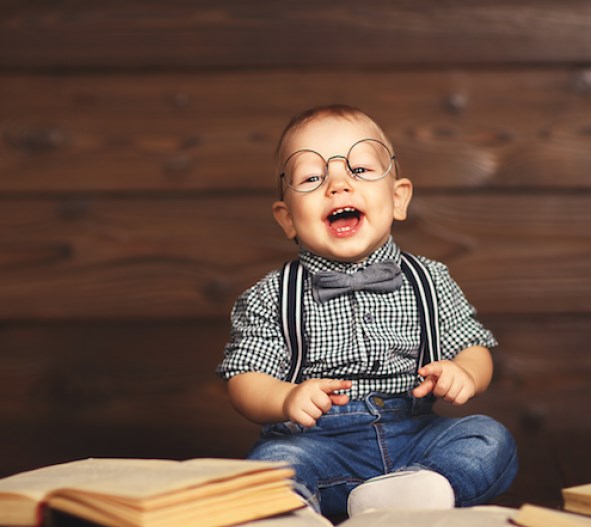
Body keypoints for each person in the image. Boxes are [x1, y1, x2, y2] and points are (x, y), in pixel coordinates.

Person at [218, 104, 517, 519]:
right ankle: (293, 509)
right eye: (311, 177)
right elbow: (245, 380)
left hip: (416, 439)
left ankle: (423, 489)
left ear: (398, 199)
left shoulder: (430, 279)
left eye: (358, 170)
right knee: (273, 460)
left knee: (489, 438)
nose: (338, 185)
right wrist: (287, 399)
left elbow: (474, 346)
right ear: (286, 219)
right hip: (321, 448)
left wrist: (464, 372)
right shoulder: (271, 295)